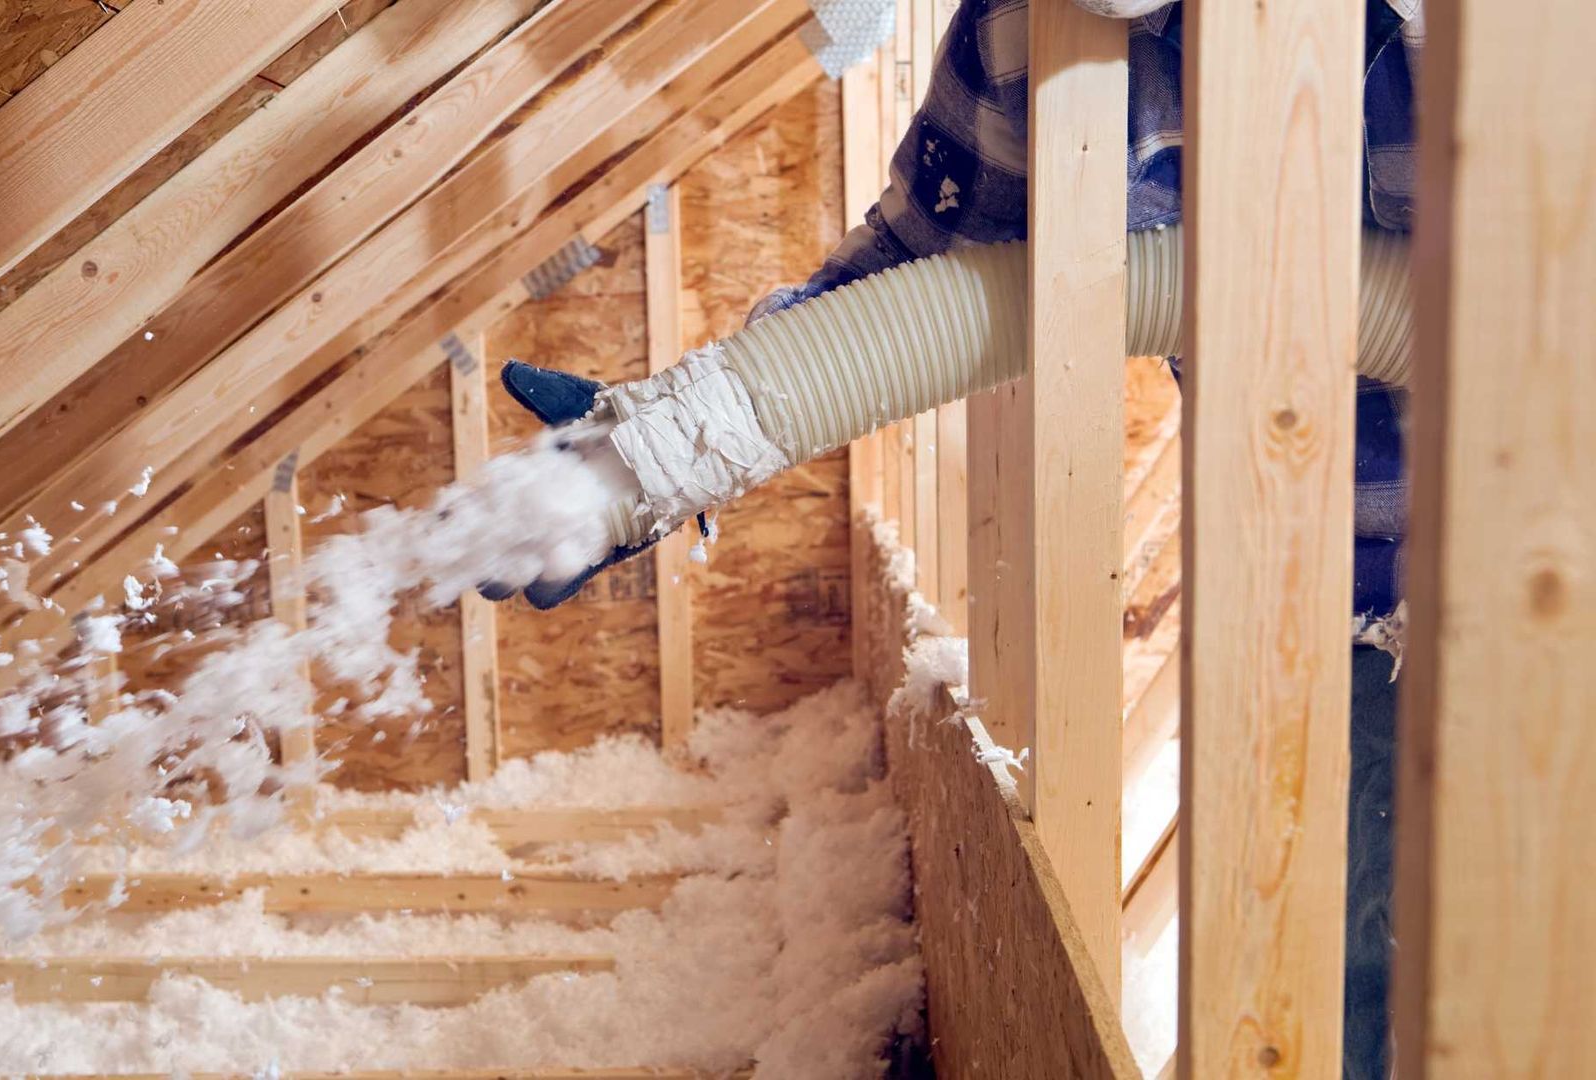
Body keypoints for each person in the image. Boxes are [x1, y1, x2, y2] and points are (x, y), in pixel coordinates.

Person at [489, 2, 1421, 1076]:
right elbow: (911, 284)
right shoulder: (1028, 31)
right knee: (1314, 1016)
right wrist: (663, 453)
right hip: (1313, 606)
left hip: (1538, 579)